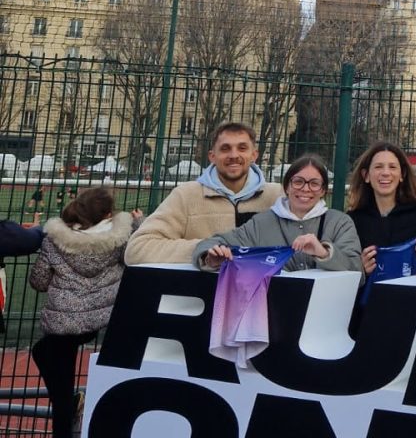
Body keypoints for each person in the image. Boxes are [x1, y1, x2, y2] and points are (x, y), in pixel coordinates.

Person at [29, 187, 141, 438]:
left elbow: (38, 282)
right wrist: (140, 223)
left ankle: (69, 411)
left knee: (58, 384)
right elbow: (137, 255)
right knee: (46, 358)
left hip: (63, 322)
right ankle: (71, 407)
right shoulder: (121, 239)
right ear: (109, 214)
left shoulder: (55, 240)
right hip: (98, 319)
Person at [125, 122, 282, 265]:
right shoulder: (186, 195)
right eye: (225, 148)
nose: (234, 155)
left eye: (242, 148)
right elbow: (137, 250)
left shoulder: (278, 196)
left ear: (254, 155)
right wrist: (204, 250)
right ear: (212, 156)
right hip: (203, 292)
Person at [193, 154, 362, 273]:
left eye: (314, 183)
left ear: (323, 190)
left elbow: (357, 271)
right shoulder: (262, 223)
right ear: (287, 186)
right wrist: (211, 258)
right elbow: (213, 243)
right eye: (298, 182)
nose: (305, 188)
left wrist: (324, 252)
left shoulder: (340, 223)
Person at [347, 141, 416, 279]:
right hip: (370, 299)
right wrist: (360, 268)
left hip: (410, 298)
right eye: (378, 167)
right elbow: (345, 272)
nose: (386, 173)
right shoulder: (352, 221)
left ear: (402, 174)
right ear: (366, 175)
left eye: (392, 167)